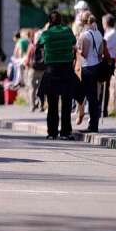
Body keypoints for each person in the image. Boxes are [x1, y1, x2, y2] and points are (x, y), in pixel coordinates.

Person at [39, 12, 78, 140]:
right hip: (66, 69)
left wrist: (46, 30)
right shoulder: (67, 30)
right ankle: (66, 132)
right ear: (61, 20)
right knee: (66, 102)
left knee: (52, 103)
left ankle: (52, 132)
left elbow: (38, 44)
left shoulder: (46, 34)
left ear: (49, 21)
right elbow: (74, 41)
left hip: (51, 70)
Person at [76, 12, 106, 133]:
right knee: (94, 96)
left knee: (89, 96)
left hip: (87, 67)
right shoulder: (98, 33)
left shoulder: (84, 35)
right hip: (96, 66)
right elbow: (100, 52)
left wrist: (76, 49)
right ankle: (94, 123)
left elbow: (84, 53)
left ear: (83, 22)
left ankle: (92, 125)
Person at [101, 15, 116, 118]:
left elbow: (103, 46)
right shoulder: (110, 33)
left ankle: (103, 110)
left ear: (106, 23)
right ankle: (102, 109)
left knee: (104, 86)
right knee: (104, 86)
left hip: (108, 60)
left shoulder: (111, 33)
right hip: (108, 60)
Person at [24, 28, 46, 111]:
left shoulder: (31, 46)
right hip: (43, 69)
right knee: (42, 88)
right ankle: (41, 106)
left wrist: (26, 66)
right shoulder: (45, 46)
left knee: (32, 88)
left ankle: (32, 106)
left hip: (33, 69)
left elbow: (27, 58)